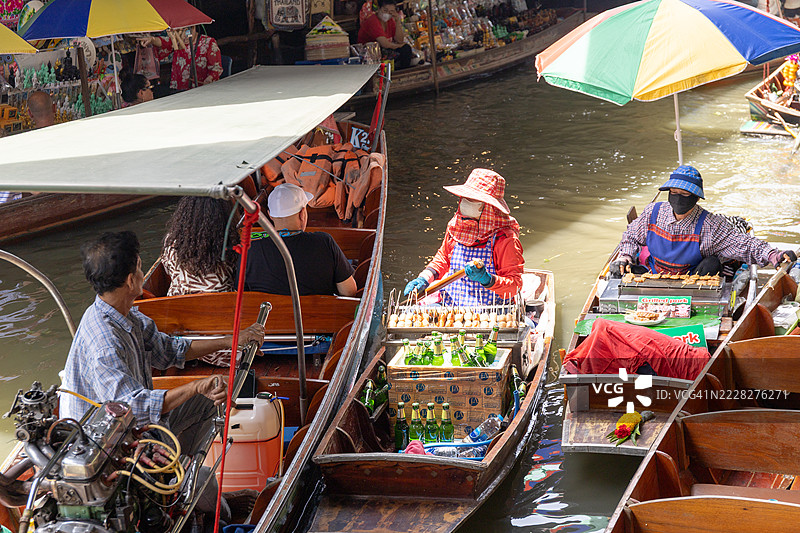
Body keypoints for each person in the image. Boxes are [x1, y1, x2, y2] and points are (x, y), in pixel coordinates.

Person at [60, 231, 264, 526]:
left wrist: (233, 339)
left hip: (135, 428)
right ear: (130, 280)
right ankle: (186, 489)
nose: (143, 272)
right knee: (211, 496)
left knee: (206, 402)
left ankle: (183, 474)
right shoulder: (104, 342)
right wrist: (196, 385)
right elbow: (134, 408)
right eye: (140, 266)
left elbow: (169, 350)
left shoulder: (125, 314)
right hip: (109, 451)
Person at [611, 165, 797, 277]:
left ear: (696, 198)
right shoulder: (653, 212)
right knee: (623, 272)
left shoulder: (710, 225)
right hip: (653, 274)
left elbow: (745, 244)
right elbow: (631, 236)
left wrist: (774, 255)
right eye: (674, 193)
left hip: (692, 280)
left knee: (712, 264)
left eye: (685, 195)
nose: (678, 198)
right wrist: (625, 257)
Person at [403, 168, 524, 306]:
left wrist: (487, 279)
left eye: (474, 200)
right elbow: (443, 258)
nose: (466, 202)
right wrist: (424, 278)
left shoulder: (505, 238)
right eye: (466, 198)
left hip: (492, 309)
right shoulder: (456, 226)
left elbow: (514, 286)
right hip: (452, 304)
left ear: (489, 208)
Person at [237, 183, 357, 297]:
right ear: (302, 213)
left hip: (267, 312)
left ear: (270, 215)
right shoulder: (324, 242)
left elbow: (241, 294)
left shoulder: (250, 251)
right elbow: (349, 291)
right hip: (316, 311)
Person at [161, 197, 237, 297]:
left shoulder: (172, 241)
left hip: (177, 302)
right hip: (221, 302)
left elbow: (168, 270)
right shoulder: (230, 243)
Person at [139, 27, 223, 91]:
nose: (183, 37)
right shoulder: (177, 41)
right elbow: (164, 42)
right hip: (179, 88)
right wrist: (152, 40)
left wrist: (210, 78)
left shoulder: (208, 42)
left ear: (193, 28)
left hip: (201, 89)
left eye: (185, 32)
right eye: (180, 32)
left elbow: (216, 68)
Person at [358, 0, 415, 69]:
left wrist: (398, 22)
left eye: (391, 11)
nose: (387, 13)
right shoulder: (373, 21)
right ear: (379, 8)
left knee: (405, 49)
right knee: (405, 49)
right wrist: (400, 46)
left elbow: (399, 40)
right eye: (385, 10)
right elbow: (385, 44)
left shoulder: (390, 21)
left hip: (383, 51)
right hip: (369, 54)